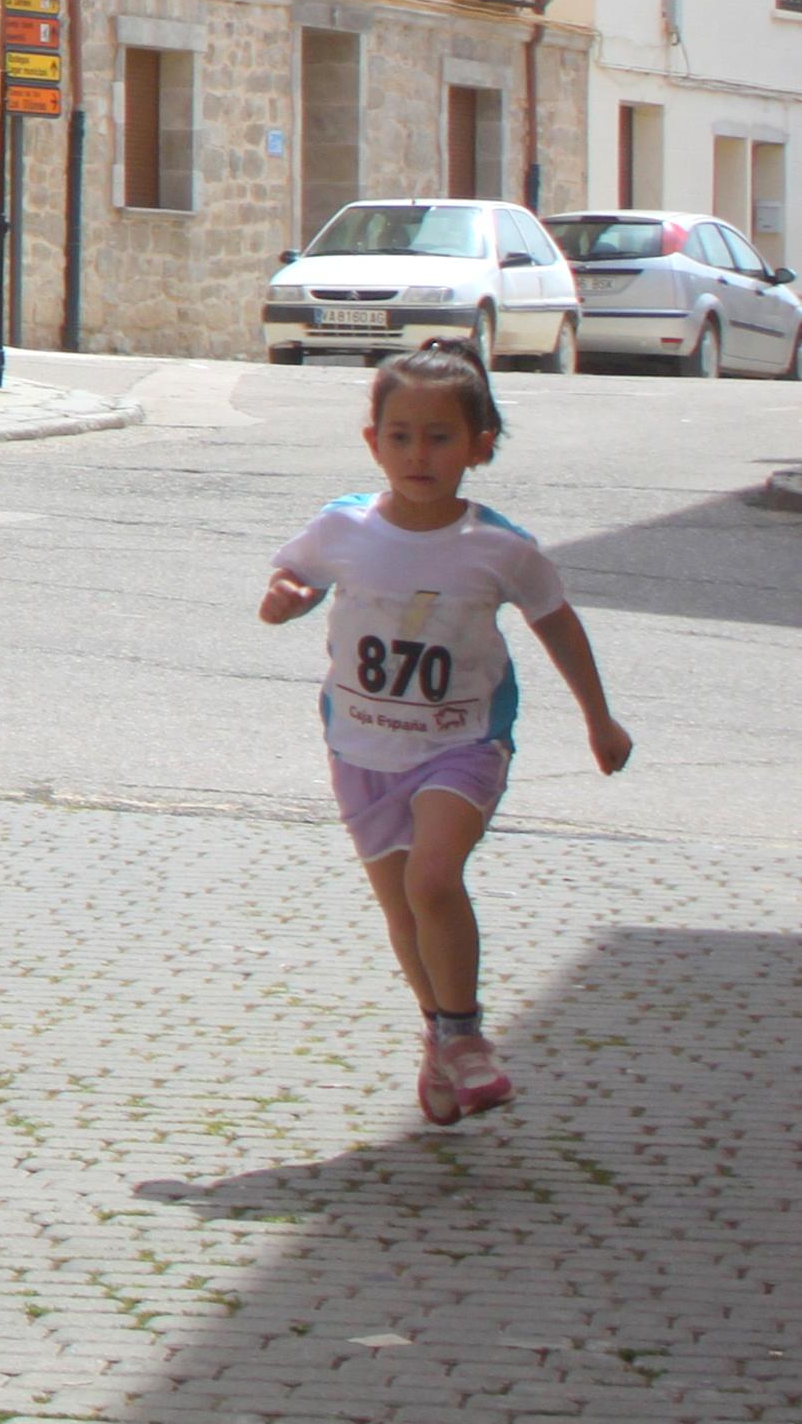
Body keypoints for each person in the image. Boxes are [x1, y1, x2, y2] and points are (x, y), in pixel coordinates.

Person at [261, 347, 631, 1126]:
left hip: (463, 742)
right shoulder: (342, 525)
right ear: (372, 442)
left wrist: (598, 719)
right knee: (401, 909)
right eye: (399, 436)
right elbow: (292, 577)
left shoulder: (499, 547)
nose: (417, 454)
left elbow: (556, 624)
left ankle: (463, 1036)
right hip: (360, 746)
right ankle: (439, 1037)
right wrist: (285, 599)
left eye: (437, 436)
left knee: (432, 881)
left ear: (479, 444)